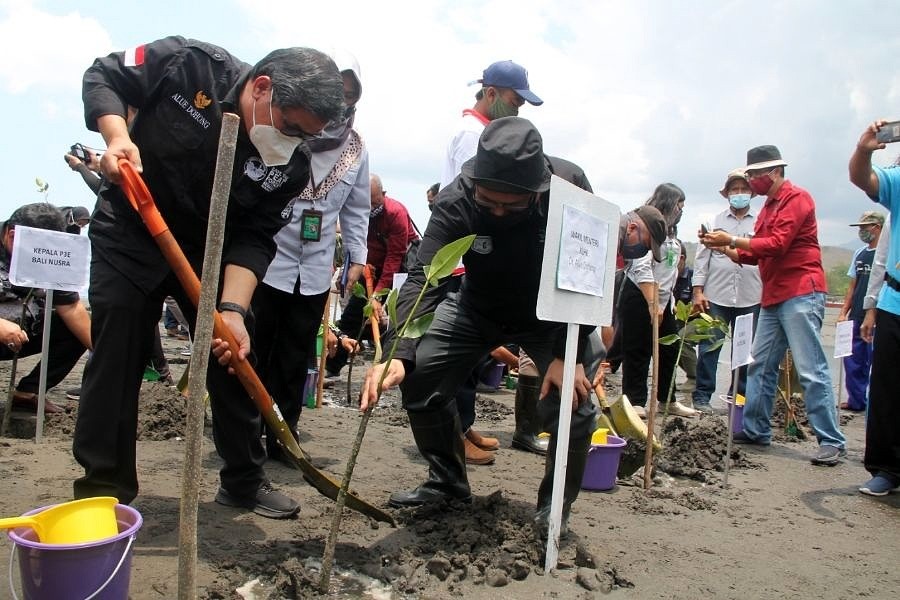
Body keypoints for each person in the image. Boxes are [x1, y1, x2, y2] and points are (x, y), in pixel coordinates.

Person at [71, 35, 344, 518]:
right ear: (262, 88)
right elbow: (105, 75)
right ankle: (103, 488)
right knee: (117, 354)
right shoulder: (188, 66)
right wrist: (118, 138)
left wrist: (234, 311)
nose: (295, 142)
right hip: (132, 230)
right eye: (291, 126)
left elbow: (257, 237)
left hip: (208, 253)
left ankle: (243, 480)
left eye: (307, 136)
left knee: (236, 352)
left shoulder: (291, 167)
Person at [360, 117, 666, 536]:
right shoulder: (457, 199)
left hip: (549, 318)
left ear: (537, 191)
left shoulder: (571, 189)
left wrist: (565, 354)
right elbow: (423, 276)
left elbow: (587, 275)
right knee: (420, 371)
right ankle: (447, 482)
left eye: (513, 204)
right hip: (476, 307)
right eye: (490, 203)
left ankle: (553, 510)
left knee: (574, 404)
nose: (500, 212)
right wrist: (400, 352)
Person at [253, 51, 369, 465]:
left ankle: (285, 433)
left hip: (316, 267)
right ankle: (247, 430)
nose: (341, 105)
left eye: (350, 96)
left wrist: (357, 257)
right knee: (257, 346)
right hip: (267, 259)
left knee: (296, 352)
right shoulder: (282, 131)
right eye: (336, 93)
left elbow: (356, 209)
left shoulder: (354, 149)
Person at [701, 145, 846, 466]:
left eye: (754, 175)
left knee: (810, 368)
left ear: (775, 172)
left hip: (801, 292)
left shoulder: (798, 199)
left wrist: (732, 240)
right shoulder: (767, 208)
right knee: (761, 366)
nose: (751, 182)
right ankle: (756, 429)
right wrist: (722, 247)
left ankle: (831, 440)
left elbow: (777, 244)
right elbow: (754, 254)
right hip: (773, 296)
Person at [440, 59, 546, 459]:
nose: (517, 109)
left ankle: (463, 427)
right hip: (466, 254)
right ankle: (457, 433)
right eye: (514, 100)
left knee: (468, 358)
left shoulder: (481, 133)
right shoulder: (476, 137)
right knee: (461, 353)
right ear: (490, 94)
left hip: (468, 254)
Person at [848, 120, 900, 495]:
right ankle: (887, 468)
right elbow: (863, 179)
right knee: (887, 390)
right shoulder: (899, 183)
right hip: (895, 302)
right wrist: (865, 150)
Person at [612, 183, 694, 417]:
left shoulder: (672, 235)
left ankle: (667, 399)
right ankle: (635, 401)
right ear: (669, 204)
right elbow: (641, 268)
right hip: (640, 294)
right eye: (679, 206)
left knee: (669, 348)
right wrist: (651, 303)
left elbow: (671, 270)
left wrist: (666, 302)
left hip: (664, 299)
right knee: (637, 349)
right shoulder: (643, 227)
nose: (680, 211)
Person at [0, 203, 92, 413]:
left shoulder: (52, 254)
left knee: (74, 330)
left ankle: (28, 393)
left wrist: (106, 358)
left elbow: (71, 308)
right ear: (12, 236)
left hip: (24, 331)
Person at [326, 174, 417, 376]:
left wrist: (377, 294)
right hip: (367, 271)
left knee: (397, 321)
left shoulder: (395, 213)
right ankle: (331, 367)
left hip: (398, 275)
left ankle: (396, 369)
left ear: (383, 194)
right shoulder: (357, 213)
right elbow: (353, 242)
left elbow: (395, 257)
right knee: (352, 318)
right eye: (365, 203)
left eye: (374, 202)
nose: (370, 207)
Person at [691, 169, 762, 412]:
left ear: (751, 193)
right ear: (727, 194)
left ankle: (738, 396)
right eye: (734, 190)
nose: (739, 194)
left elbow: (765, 254)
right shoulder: (714, 222)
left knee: (744, 349)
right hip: (717, 295)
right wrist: (698, 291)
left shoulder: (761, 222)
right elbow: (701, 260)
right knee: (710, 346)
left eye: (743, 189)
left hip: (751, 296)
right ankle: (702, 396)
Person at [439, 60, 542, 189]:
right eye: (514, 104)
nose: (516, 112)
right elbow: (469, 191)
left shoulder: (487, 133)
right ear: (491, 94)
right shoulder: (472, 133)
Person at [838, 210, 884, 412]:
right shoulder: (860, 253)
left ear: (878, 227)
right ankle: (857, 401)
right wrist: (843, 312)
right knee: (853, 360)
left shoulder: (889, 253)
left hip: (881, 316)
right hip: (857, 314)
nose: (862, 231)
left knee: (878, 361)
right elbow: (852, 286)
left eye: (866, 227)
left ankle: (879, 404)